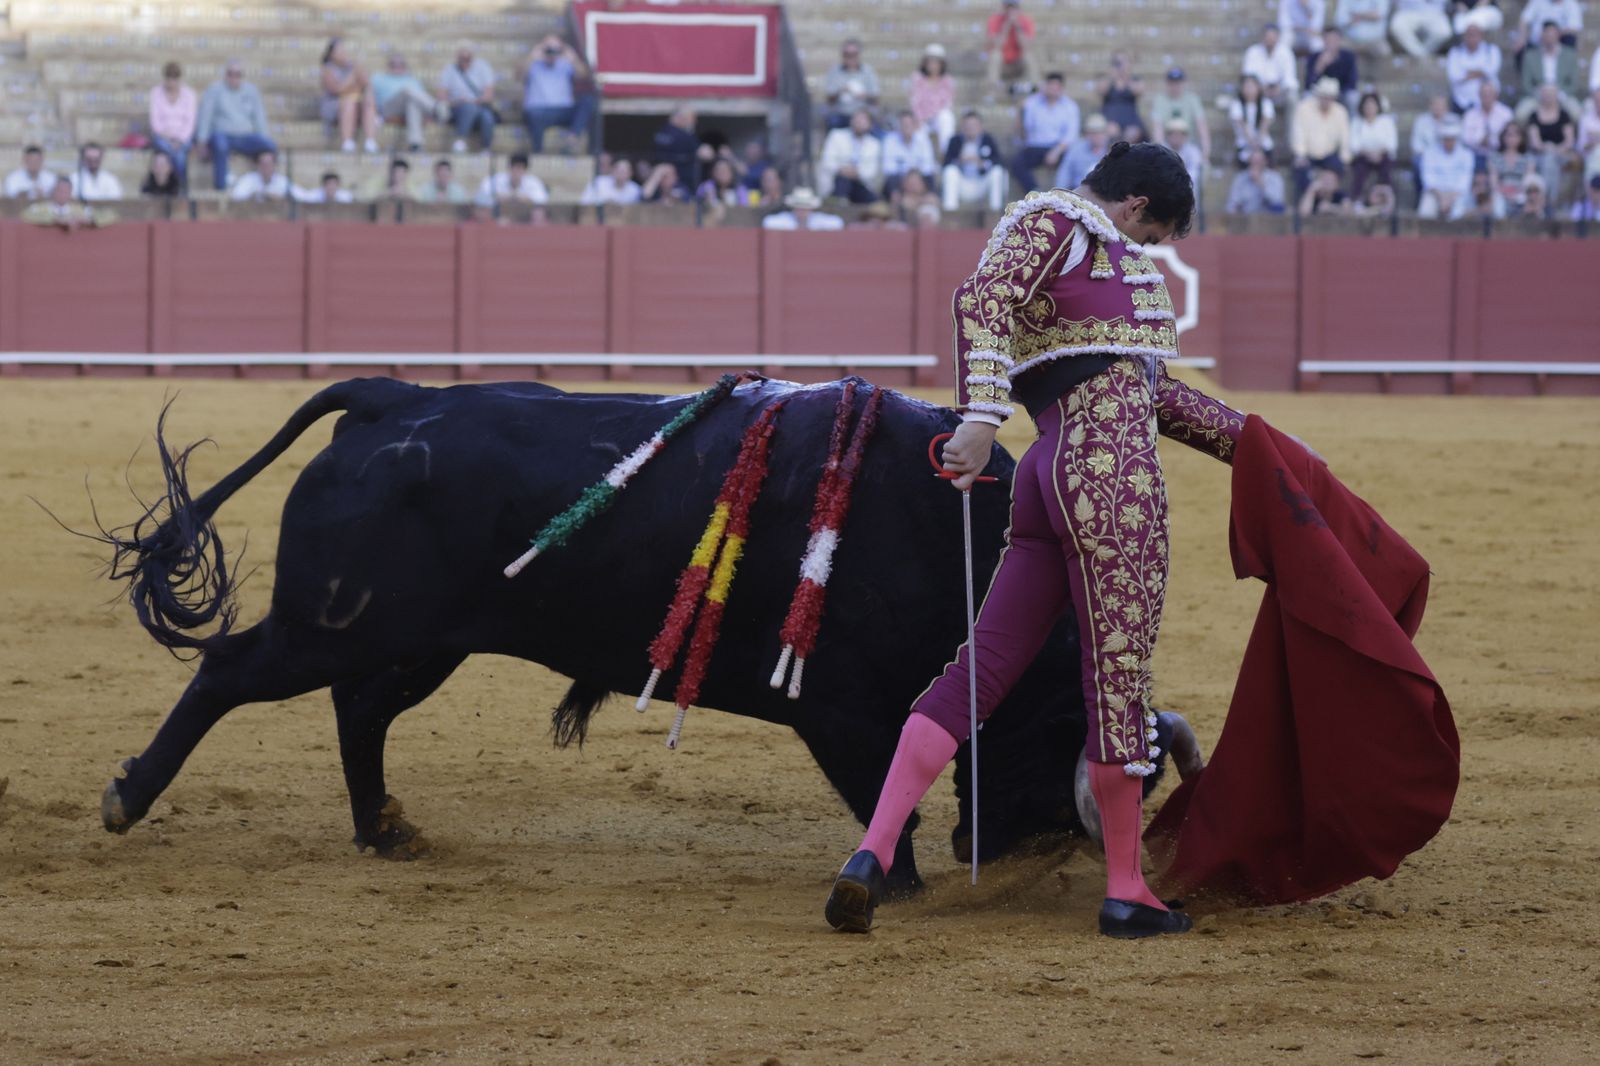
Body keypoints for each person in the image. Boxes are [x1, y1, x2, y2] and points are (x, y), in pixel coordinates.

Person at [824, 141, 1247, 941]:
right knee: (1115, 680)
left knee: (977, 671)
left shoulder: (1085, 264)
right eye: (1152, 235)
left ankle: (872, 854)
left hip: (1045, 480)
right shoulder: (1057, 222)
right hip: (1112, 488)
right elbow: (981, 301)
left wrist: (1256, 443)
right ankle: (1127, 889)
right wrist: (982, 421)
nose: (1145, 251)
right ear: (1134, 208)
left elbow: (1157, 396)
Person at [197, 60, 276, 191]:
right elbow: (206, 116)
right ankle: (220, 187)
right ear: (225, 75)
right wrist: (202, 140)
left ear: (242, 76)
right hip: (222, 134)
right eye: (230, 74)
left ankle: (269, 185)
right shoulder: (214, 90)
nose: (234, 78)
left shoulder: (251, 91)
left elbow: (259, 118)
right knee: (220, 146)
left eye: (237, 74)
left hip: (246, 137)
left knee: (269, 146)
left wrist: (265, 138)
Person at [522, 35, 596, 154]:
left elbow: (584, 75)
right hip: (538, 111)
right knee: (533, 115)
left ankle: (572, 139)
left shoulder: (565, 64)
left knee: (588, 101)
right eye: (548, 49)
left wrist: (573, 58)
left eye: (555, 49)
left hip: (563, 110)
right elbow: (518, 75)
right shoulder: (534, 64)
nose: (551, 53)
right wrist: (532, 56)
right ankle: (538, 152)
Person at [1011, 73, 1082, 193]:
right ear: (1045, 86)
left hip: (1059, 147)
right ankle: (1034, 192)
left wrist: (1056, 151)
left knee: (1074, 160)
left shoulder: (1070, 106)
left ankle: (1067, 195)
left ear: (1061, 89)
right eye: (1051, 86)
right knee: (1017, 163)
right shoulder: (1031, 103)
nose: (1053, 90)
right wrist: (1020, 112)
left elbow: (1071, 135)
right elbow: (1024, 133)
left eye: (1056, 87)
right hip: (1035, 146)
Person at [372, 53, 450, 153]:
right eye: (393, 64)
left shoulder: (412, 80)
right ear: (388, 65)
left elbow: (421, 101)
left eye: (400, 64)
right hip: (388, 108)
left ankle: (415, 144)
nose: (397, 67)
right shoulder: (378, 78)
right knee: (407, 91)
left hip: (406, 111)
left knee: (412, 104)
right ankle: (437, 108)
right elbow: (369, 97)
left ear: (405, 66)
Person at [1292, 78, 1352, 193]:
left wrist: (1345, 159)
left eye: (1329, 97)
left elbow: (1345, 138)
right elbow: (1298, 133)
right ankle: (1304, 205)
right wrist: (1300, 154)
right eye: (1324, 96)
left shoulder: (1341, 112)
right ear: (1318, 95)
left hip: (1330, 157)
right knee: (1301, 171)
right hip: (1308, 156)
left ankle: (1334, 202)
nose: (1326, 100)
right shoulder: (1303, 108)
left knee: (1340, 169)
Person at [320, 38, 380, 154]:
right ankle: (347, 142)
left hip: (356, 102)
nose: (343, 53)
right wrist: (352, 76)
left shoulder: (352, 66)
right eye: (339, 50)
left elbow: (367, 84)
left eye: (344, 49)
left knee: (368, 101)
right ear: (331, 54)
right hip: (335, 105)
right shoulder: (328, 69)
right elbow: (337, 90)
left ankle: (370, 141)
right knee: (349, 101)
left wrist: (360, 72)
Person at [941, 110, 1008, 211]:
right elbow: (946, 163)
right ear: (962, 126)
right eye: (967, 125)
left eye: (974, 125)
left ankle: (995, 212)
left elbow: (999, 161)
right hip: (962, 183)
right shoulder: (955, 141)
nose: (970, 128)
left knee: (997, 172)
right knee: (950, 171)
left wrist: (983, 163)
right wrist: (959, 161)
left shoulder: (988, 139)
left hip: (982, 182)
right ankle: (950, 211)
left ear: (981, 126)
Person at [817, 107, 885, 204]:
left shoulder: (874, 144)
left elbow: (871, 171)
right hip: (838, 181)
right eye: (856, 119)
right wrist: (842, 169)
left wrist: (856, 172)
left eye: (862, 120)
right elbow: (827, 161)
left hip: (860, 183)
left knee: (873, 200)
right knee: (843, 182)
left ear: (870, 125)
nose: (858, 123)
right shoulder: (836, 135)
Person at [440, 43, 498, 153]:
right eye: (462, 58)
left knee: (487, 117)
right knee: (468, 108)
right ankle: (460, 140)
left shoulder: (483, 67)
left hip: (479, 106)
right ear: (457, 57)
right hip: (456, 108)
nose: (465, 61)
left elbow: (489, 95)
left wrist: (472, 101)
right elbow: (442, 96)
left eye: (468, 58)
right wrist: (457, 102)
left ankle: (486, 148)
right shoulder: (449, 70)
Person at [1518, 21, 1581, 121]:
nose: (1550, 37)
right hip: (1537, 95)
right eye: (1547, 34)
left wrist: (1559, 95)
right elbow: (1526, 83)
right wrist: (1540, 94)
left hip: (1562, 94)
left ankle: (1570, 136)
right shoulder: (1530, 56)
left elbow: (1574, 83)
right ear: (1542, 35)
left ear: (1558, 35)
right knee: (1521, 114)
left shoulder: (1570, 55)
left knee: (1576, 113)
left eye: (1553, 34)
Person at [1528, 85, 1579, 204]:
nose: (1548, 97)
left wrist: (1555, 150)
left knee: (1550, 159)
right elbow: (1535, 142)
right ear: (1541, 96)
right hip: (1540, 154)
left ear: (1556, 96)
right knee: (1549, 160)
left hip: (1562, 153)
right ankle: (1551, 200)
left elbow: (1569, 141)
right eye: (1545, 94)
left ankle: (1547, 199)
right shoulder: (1534, 116)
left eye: (1551, 94)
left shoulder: (1564, 115)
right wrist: (1549, 148)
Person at [148, 61, 196, 185]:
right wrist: (170, 139)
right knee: (177, 155)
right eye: (168, 78)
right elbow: (155, 123)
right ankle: (180, 188)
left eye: (174, 78)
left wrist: (179, 140)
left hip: (183, 139)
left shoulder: (189, 95)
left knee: (179, 155)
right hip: (163, 137)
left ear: (179, 79)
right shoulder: (156, 93)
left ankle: (178, 189)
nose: (171, 82)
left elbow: (189, 123)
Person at [1417, 116, 1475, 218]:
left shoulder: (1467, 155)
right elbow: (1428, 181)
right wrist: (1441, 198)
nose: (1448, 142)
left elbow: (1464, 183)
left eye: (1451, 139)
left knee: (1458, 213)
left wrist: (1450, 199)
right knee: (1425, 212)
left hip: (1458, 195)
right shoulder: (1429, 153)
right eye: (1446, 139)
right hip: (1435, 194)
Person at [1148, 68, 1211, 160]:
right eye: (1172, 83)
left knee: (1195, 159)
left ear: (1183, 83)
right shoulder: (1160, 99)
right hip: (1166, 145)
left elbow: (1201, 125)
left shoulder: (1192, 99)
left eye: (1178, 83)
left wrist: (1206, 148)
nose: (1175, 86)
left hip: (1188, 145)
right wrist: (1159, 149)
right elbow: (1157, 128)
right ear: (1167, 84)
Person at [822, 39, 881, 129]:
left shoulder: (868, 71)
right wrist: (840, 92)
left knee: (874, 127)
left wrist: (863, 96)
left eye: (853, 54)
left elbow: (876, 99)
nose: (850, 57)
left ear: (858, 55)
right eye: (847, 54)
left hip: (863, 115)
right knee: (832, 122)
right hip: (841, 114)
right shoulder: (835, 71)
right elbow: (829, 99)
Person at [1348, 92, 1397, 200]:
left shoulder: (1386, 121)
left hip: (1383, 156)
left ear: (1377, 106)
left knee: (1386, 171)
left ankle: (1388, 201)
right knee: (1359, 170)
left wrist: (1378, 153)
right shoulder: (1357, 122)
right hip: (1363, 156)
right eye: (1367, 105)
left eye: (1372, 105)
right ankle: (1356, 200)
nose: (1369, 108)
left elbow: (1391, 144)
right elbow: (1354, 145)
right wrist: (1369, 154)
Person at [881, 110, 938, 201]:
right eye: (903, 124)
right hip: (899, 179)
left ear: (914, 125)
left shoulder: (924, 140)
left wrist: (914, 177)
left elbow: (928, 166)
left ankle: (930, 202)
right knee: (890, 182)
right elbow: (888, 168)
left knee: (930, 179)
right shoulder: (889, 140)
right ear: (899, 126)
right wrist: (907, 178)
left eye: (909, 124)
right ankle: (896, 205)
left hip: (920, 178)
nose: (906, 127)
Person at [1446, 24, 1502, 114]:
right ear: (1464, 36)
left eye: (1475, 34)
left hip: (1486, 103)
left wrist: (1466, 74)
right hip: (1461, 101)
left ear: (1481, 35)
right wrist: (1480, 72)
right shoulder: (1455, 52)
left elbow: (1492, 71)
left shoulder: (1491, 50)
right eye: (1469, 35)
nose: (1472, 38)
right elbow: (1453, 76)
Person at [909, 44, 957, 151]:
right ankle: (926, 165)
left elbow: (947, 102)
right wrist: (920, 119)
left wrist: (932, 115)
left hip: (938, 117)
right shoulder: (917, 78)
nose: (933, 65)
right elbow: (915, 101)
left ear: (942, 64)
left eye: (936, 62)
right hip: (922, 119)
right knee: (919, 133)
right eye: (930, 62)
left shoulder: (947, 80)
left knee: (946, 117)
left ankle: (947, 153)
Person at [1241, 25, 1299, 113]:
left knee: (1292, 97)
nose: (1270, 40)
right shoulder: (1253, 52)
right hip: (1259, 92)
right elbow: (1248, 77)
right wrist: (1261, 89)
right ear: (1262, 37)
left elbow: (1290, 78)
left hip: (1280, 92)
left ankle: (1291, 127)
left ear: (1278, 37)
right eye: (1267, 37)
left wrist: (1279, 88)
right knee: (1249, 91)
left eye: (1273, 37)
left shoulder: (1285, 52)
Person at [986, 0, 1038, 94]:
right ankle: (992, 88)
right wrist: (1007, 26)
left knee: (1029, 55)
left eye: (1013, 7)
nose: (1011, 11)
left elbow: (1026, 46)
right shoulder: (994, 20)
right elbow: (997, 45)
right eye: (1008, 7)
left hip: (1017, 64)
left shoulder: (1026, 21)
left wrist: (1017, 26)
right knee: (995, 54)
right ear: (1003, 8)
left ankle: (1034, 86)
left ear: (1018, 8)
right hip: (1003, 65)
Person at [24, 177, 113, 231]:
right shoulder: (42, 208)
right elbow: (26, 215)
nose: (62, 194)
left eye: (66, 191)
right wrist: (57, 220)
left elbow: (110, 215)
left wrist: (87, 220)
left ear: (70, 194)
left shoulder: (79, 210)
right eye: (59, 190)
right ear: (53, 191)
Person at [653, 106, 705, 197]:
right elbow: (704, 153)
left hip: (663, 182)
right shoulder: (685, 136)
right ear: (682, 118)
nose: (694, 122)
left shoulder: (660, 133)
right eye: (692, 118)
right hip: (681, 183)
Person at [1305, 27, 1359, 111]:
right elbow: (1309, 85)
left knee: (1352, 98)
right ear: (1323, 40)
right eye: (1328, 39)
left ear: (1340, 40)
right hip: (1321, 94)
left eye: (1334, 39)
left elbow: (1352, 82)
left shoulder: (1348, 57)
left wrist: (1336, 93)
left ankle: (1352, 123)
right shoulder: (1314, 57)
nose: (1331, 42)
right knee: (1307, 96)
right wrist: (1319, 66)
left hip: (1341, 93)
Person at [1228, 75, 1277, 165]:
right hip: (1245, 145)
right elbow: (1242, 125)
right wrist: (1253, 145)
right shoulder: (1236, 104)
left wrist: (1258, 145)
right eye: (1246, 86)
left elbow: (1265, 125)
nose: (1249, 89)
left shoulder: (1266, 103)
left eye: (1251, 86)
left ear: (1258, 87)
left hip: (1263, 145)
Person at [1055, 113, 1112, 190]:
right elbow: (1064, 173)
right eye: (1093, 133)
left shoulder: (1112, 150)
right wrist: (1059, 192)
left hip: (1103, 195)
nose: (1097, 136)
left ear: (1106, 134)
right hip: (1077, 192)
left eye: (1100, 132)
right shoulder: (1076, 149)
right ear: (1087, 134)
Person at [1489, 121, 1537, 211]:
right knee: (1497, 201)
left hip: (1521, 192)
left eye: (1516, 135)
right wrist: (1504, 192)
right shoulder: (1495, 156)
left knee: (1526, 198)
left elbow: (1529, 180)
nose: (1512, 138)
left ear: (1522, 138)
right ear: (1503, 137)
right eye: (1509, 135)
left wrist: (1517, 192)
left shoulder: (1528, 158)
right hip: (1501, 192)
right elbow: (1493, 181)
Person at [1096, 51, 1145, 133]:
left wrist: (1126, 76)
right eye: (1117, 62)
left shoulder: (1134, 79)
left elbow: (1138, 91)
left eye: (1123, 62)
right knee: (1111, 131)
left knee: (1133, 132)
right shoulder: (1107, 80)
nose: (1120, 66)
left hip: (1130, 119)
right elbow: (1101, 91)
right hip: (1110, 119)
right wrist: (1112, 77)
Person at [1227, 148, 1288, 212]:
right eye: (1253, 160)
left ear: (1265, 161)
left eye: (1258, 160)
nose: (1255, 163)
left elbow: (1277, 202)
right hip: (1245, 218)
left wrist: (1260, 183)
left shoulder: (1275, 178)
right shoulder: (1240, 178)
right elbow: (1232, 203)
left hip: (1269, 219)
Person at [1462, 81, 1513, 157]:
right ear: (1479, 95)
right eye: (1484, 94)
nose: (1487, 97)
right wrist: (1480, 140)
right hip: (1475, 154)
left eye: (1490, 94)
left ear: (1496, 95)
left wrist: (1492, 141)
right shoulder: (1470, 115)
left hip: (1500, 154)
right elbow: (1465, 138)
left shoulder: (1506, 113)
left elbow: (1511, 136)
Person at [478, 152, 549, 205]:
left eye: (520, 168)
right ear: (509, 167)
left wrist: (522, 199)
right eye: (514, 167)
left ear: (525, 169)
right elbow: (482, 196)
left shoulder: (533, 182)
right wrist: (499, 197)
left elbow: (542, 200)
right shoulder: (496, 180)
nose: (517, 171)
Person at [760, 186, 845, 230]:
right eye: (799, 207)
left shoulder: (817, 219)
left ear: (811, 209)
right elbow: (768, 222)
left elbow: (838, 223)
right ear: (793, 208)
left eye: (805, 208)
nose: (802, 211)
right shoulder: (786, 219)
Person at [1517, 0, 1584, 52]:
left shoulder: (1571, 4)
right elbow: (1524, 20)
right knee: (1521, 48)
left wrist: (1553, 34)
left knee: (1570, 39)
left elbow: (1575, 28)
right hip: (1537, 42)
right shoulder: (1537, 1)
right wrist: (1522, 37)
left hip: (1560, 43)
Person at [1163, 118, 1204, 196]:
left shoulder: (1193, 151)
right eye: (1173, 134)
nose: (1176, 137)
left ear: (1185, 136)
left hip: (1186, 187)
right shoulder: (1161, 150)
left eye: (1179, 134)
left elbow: (1194, 173)